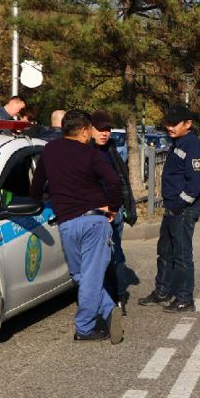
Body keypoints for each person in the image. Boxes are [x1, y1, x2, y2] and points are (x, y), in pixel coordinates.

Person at [29, 109, 124, 343]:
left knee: (80, 273)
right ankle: (85, 327)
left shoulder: (49, 150)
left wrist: (36, 200)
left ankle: (108, 310)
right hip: (95, 220)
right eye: (89, 130)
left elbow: (37, 185)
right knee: (89, 275)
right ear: (83, 131)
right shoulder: (91, 154)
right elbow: (114, 181)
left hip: (67, 222)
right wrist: (112, 207)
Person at [138, 104, 200, 313]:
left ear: (188, 124)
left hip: (182, 210)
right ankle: (162, 291)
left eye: (174, 124)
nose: (169, 127)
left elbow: (194, 185)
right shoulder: (178, 142)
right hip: (172, 208)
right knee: (165, 252)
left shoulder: (192, 146)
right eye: (168, 123)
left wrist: (179, 205)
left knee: (182, 254)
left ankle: (185, 298)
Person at [90, 110, 137, 315]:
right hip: (95, 213)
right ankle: (103, 299)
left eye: (108, 129)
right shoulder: (86, 151)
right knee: (99, 259)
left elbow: (121, 181)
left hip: (113, 212)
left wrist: (124, 207)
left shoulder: (111, 150)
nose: (104, 133)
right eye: (100, 129)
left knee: (116, 256)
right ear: (89, 129)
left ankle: (118, 298)